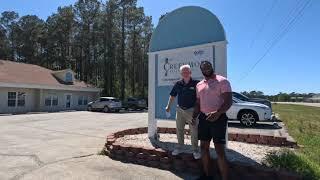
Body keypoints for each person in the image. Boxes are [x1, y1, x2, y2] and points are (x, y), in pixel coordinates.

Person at [192, 61, 232, 180]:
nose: (206, 68)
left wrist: (218, 112)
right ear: (201, 70)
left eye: (208, 66)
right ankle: (207, 175)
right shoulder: (199, 85)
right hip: (204, 118)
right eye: (204, 67)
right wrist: (194, 116)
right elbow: (198, 103)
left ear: (212, 67)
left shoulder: (222, 81)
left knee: (219, 150)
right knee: (203, 147)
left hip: (218, 118)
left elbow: (228, 101)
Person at [165, 64, 201, 159]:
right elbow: (172, 96)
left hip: (192, 111)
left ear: (190, 72)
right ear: (181, 73)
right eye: (183, 72)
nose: (185, 73)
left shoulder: (196, 83)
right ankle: (180, 147)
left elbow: (200, 98)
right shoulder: (178, 84)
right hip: (180, 110)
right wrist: (168, 106)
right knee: (179, 129)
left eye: (187, 71)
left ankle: (195, 150)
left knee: (194, 130)